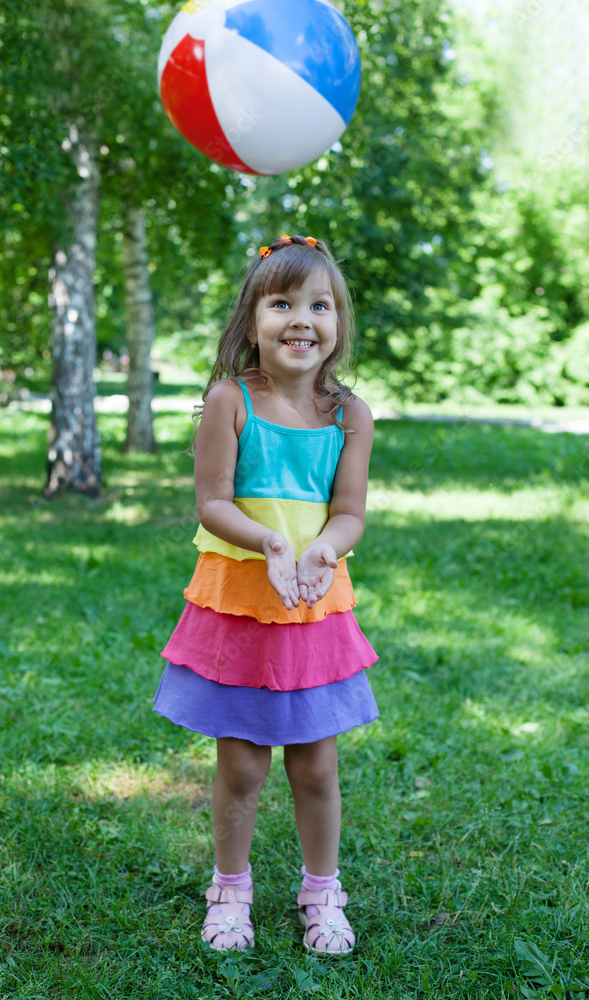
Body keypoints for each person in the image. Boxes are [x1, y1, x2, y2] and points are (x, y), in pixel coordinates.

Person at [153, 233, 379, 955]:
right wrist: (270, 542)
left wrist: (319, 548)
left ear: (338, 323)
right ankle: (231, 889)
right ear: (252, 320)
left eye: (319, 304)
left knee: (315, 763)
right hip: (240, 604)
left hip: (314, 603)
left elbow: (349, 513)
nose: (301, 319)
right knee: (242, 761)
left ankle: (322, 892)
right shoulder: (232, 401)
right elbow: (212, 501)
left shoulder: (349, 415)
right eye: (281, 302)